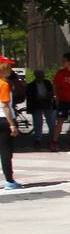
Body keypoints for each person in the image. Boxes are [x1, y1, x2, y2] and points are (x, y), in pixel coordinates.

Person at [0, 57, 21, 189]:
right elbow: (5, 106)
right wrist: (12, 124)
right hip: (4, 119)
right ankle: (9, 180)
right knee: (6, 151)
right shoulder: (4, 84)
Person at [25, 69, 55, 148]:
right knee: (38, 122)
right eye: (39, 75)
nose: (41, 77)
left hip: (47, 103)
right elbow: (29, 96)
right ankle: (38, 139)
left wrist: (50, 96)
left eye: (42, 75)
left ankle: (52, 138)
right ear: (36, 76)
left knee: (51, 122)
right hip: (37, 105)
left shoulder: (47, 83)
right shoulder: (31, 85)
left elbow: (52, 92)